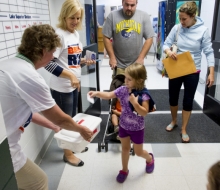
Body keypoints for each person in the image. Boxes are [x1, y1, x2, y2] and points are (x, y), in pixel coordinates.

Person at [0, 24, 93, 190]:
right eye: (52, 53)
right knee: (38, 181)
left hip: (6, 140)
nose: (52, 58)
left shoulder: (9, 65)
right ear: (43, 51)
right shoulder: (30, 77)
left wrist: (52, 126)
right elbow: (60, 118)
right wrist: (81, 130)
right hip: (5, 149)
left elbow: (25, 112)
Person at [45, 0, 95, 167]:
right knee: (65, 121)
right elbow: (48, 63)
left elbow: (70, 60)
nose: (75, 22)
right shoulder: (59, 35)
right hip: (61, 88)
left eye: (78, 18)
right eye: (72, 18)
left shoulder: (74, 34)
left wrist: (83, 61)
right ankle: (68, 154)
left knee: (72, 118)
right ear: (64, 16)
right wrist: (70, 76)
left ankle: (71, 147)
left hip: (72, 86)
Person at [89, 63, 155, 183]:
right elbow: (109, 95)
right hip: (123, 126)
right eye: (125, 77)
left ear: (139, 81)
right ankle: (124, 170)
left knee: (139, 152)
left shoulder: (144, 95)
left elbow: (144, 112)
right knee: (125, 149)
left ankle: (150, 158)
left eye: (129, 79)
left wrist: (135, 103)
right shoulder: (123, 89)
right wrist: (97, 93)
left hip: (138, 128)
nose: (126, 81)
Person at [163, 1, 215, 143]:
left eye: (184, 19)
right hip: (176, 68)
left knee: (188, 100)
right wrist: (168, 51)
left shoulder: (203, 30)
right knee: (172, 98)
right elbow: (166, 44)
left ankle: (184, 128)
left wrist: (211, 72)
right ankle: (174, 121)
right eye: (180, 18)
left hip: (193, 70)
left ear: (193, 16)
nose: (182, 21)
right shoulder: (177, 27)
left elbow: (209, 52)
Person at [102, 0, 155, 76]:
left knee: (137, 87)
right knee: (119, 87)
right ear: (122, 2)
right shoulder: (112, 16)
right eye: (127, 5)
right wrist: (112, 57)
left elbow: (149, 38)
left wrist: (141, 58)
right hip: (119, 65)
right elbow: (106, 37)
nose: (129, 8)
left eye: (132, 5)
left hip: (136, 65)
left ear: (137, 4)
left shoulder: (144, 16)